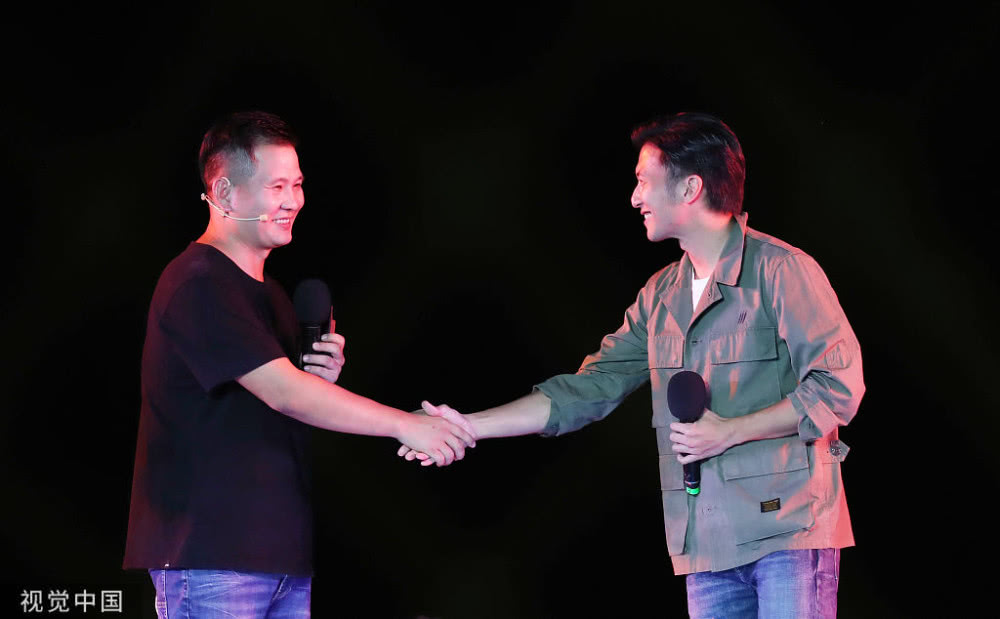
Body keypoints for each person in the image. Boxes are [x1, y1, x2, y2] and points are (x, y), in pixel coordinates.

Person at [403, 112, 864, 618]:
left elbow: (838, 387)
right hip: (705, 546)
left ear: (690, 187)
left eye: (644, 180)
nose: (634, 197)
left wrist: (730, 431)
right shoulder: (660, 295)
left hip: (789, 533)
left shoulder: (781, 270)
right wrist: (468, 426)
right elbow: (590, 389)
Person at [123, 111, 475, 618]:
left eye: (298, 184)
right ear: (224, 193)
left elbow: (284, 399)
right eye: (276, 186)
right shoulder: (198, 282)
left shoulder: (271, 296)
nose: (293, 200)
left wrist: (318, 382)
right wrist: (405, 424)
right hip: (212, 556)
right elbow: (284, 392)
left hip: (279, 556)